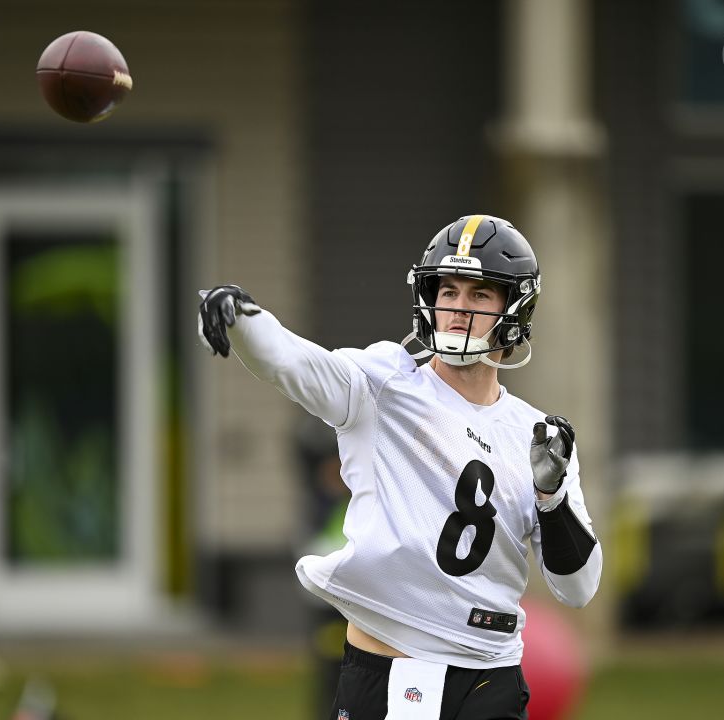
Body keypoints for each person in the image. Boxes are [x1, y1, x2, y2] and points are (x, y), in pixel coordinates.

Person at [198, 215, 602, 720]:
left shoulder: (538, 435)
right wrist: (243, 319)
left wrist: (553, 498)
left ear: (515, 307)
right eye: (447, 289)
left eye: (479, 295)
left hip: (490, 676)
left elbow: (578, 587)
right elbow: (296, 364)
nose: (457, 308)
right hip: (390, 669)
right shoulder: (387, 382)